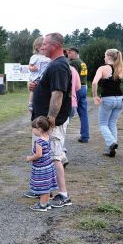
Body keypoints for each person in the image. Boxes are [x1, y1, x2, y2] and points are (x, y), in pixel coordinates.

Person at [29, 33, 72, 208]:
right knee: (50, 157)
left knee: (54, 157)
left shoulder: (59, 66)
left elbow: (58, 93)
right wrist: (37, 86)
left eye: (45, 45)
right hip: (45, 121)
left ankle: (63, 195)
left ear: (55, 46)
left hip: (51, 123)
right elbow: (50, 88)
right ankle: (48, 191)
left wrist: (51, 119)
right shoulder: (55, 65)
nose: (42, 47)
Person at [91, 48, 123, 157]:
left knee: (103, 124)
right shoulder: (122, 69)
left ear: (108, 56)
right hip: (120, 99)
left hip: (107, 99)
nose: (104, 57)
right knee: (112, 123)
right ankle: (112, 149)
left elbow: (94, 83)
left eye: (104, 55)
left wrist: (95, 96)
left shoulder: (102, 68)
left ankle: (112, 143)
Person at [25, 116, 58, 211]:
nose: (32, 130)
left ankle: (42, 205)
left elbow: (39, 155)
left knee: (43, 187)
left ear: (39, 129)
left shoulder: (38, 142)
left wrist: (29, 158)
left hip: (42, 168)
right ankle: (46, 203)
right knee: (47, 186)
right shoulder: (48, 137)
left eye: (33, 128)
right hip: (49, 166)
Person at [61, 50, 81, 168]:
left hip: (63, 103)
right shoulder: (73, 70)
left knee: (59, 129)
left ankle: (62, 153)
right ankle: (61, 151)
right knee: (63, 128)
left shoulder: (57, 69)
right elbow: (78, 87)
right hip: (73, 103)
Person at [67, 47, 90, 143]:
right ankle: (85, 136)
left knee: (68, 111)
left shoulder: (74, 63)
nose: (68, 54)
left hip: (77, 88)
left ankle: (59, 131)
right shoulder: (82, 62)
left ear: (75, 53)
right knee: (83, 113)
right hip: (84, 88)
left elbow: (71, 76)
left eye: (70, 52)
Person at [27, 36, 51, 111]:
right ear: (37, 48)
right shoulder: (35, 57)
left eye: (44, 45)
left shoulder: (49, 57)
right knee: (33, 90)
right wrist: (32, 68)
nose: (43, 48)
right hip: (36, 77)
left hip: (45, 78)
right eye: (41, 46)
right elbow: (30, 66)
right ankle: (30, 103)